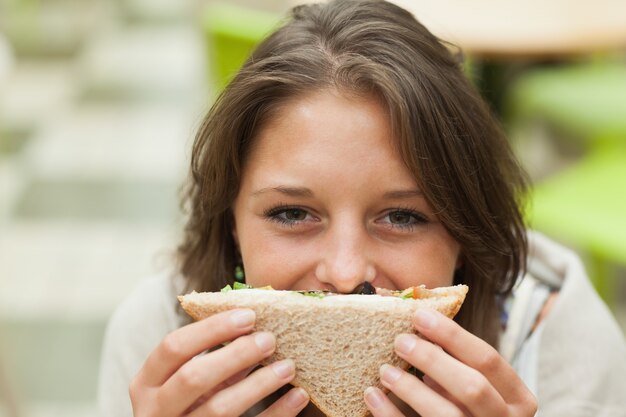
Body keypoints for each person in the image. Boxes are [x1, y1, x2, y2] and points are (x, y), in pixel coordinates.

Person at [97, 1, 626, 416]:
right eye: (290, 214)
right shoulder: (158, 344)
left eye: (403, 217)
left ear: (467, 231)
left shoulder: (560, 343)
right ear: (230, 223)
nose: (347, 274)